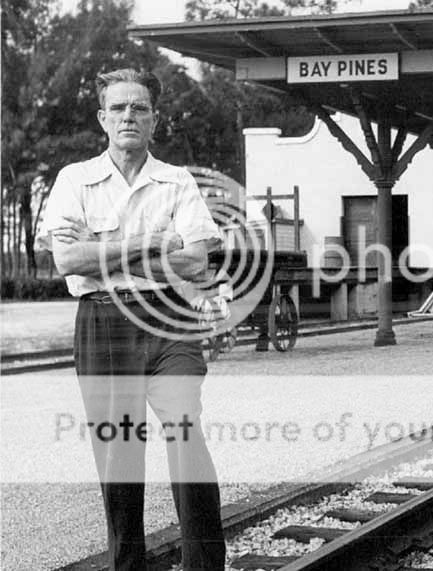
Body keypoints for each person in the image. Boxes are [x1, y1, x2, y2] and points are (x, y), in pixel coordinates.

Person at [37, 68, 225, 570]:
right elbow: (68, 262)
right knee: (119, 459)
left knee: (186, 431)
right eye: (118, 107)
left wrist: (104, 249)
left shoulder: (177, 180)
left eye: (138, 107)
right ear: (102, 118)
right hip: (102, 322)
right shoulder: (75, 180)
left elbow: (197, 261)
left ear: (155, 119)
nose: (128, 116)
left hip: (168, 319)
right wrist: (151, 242)